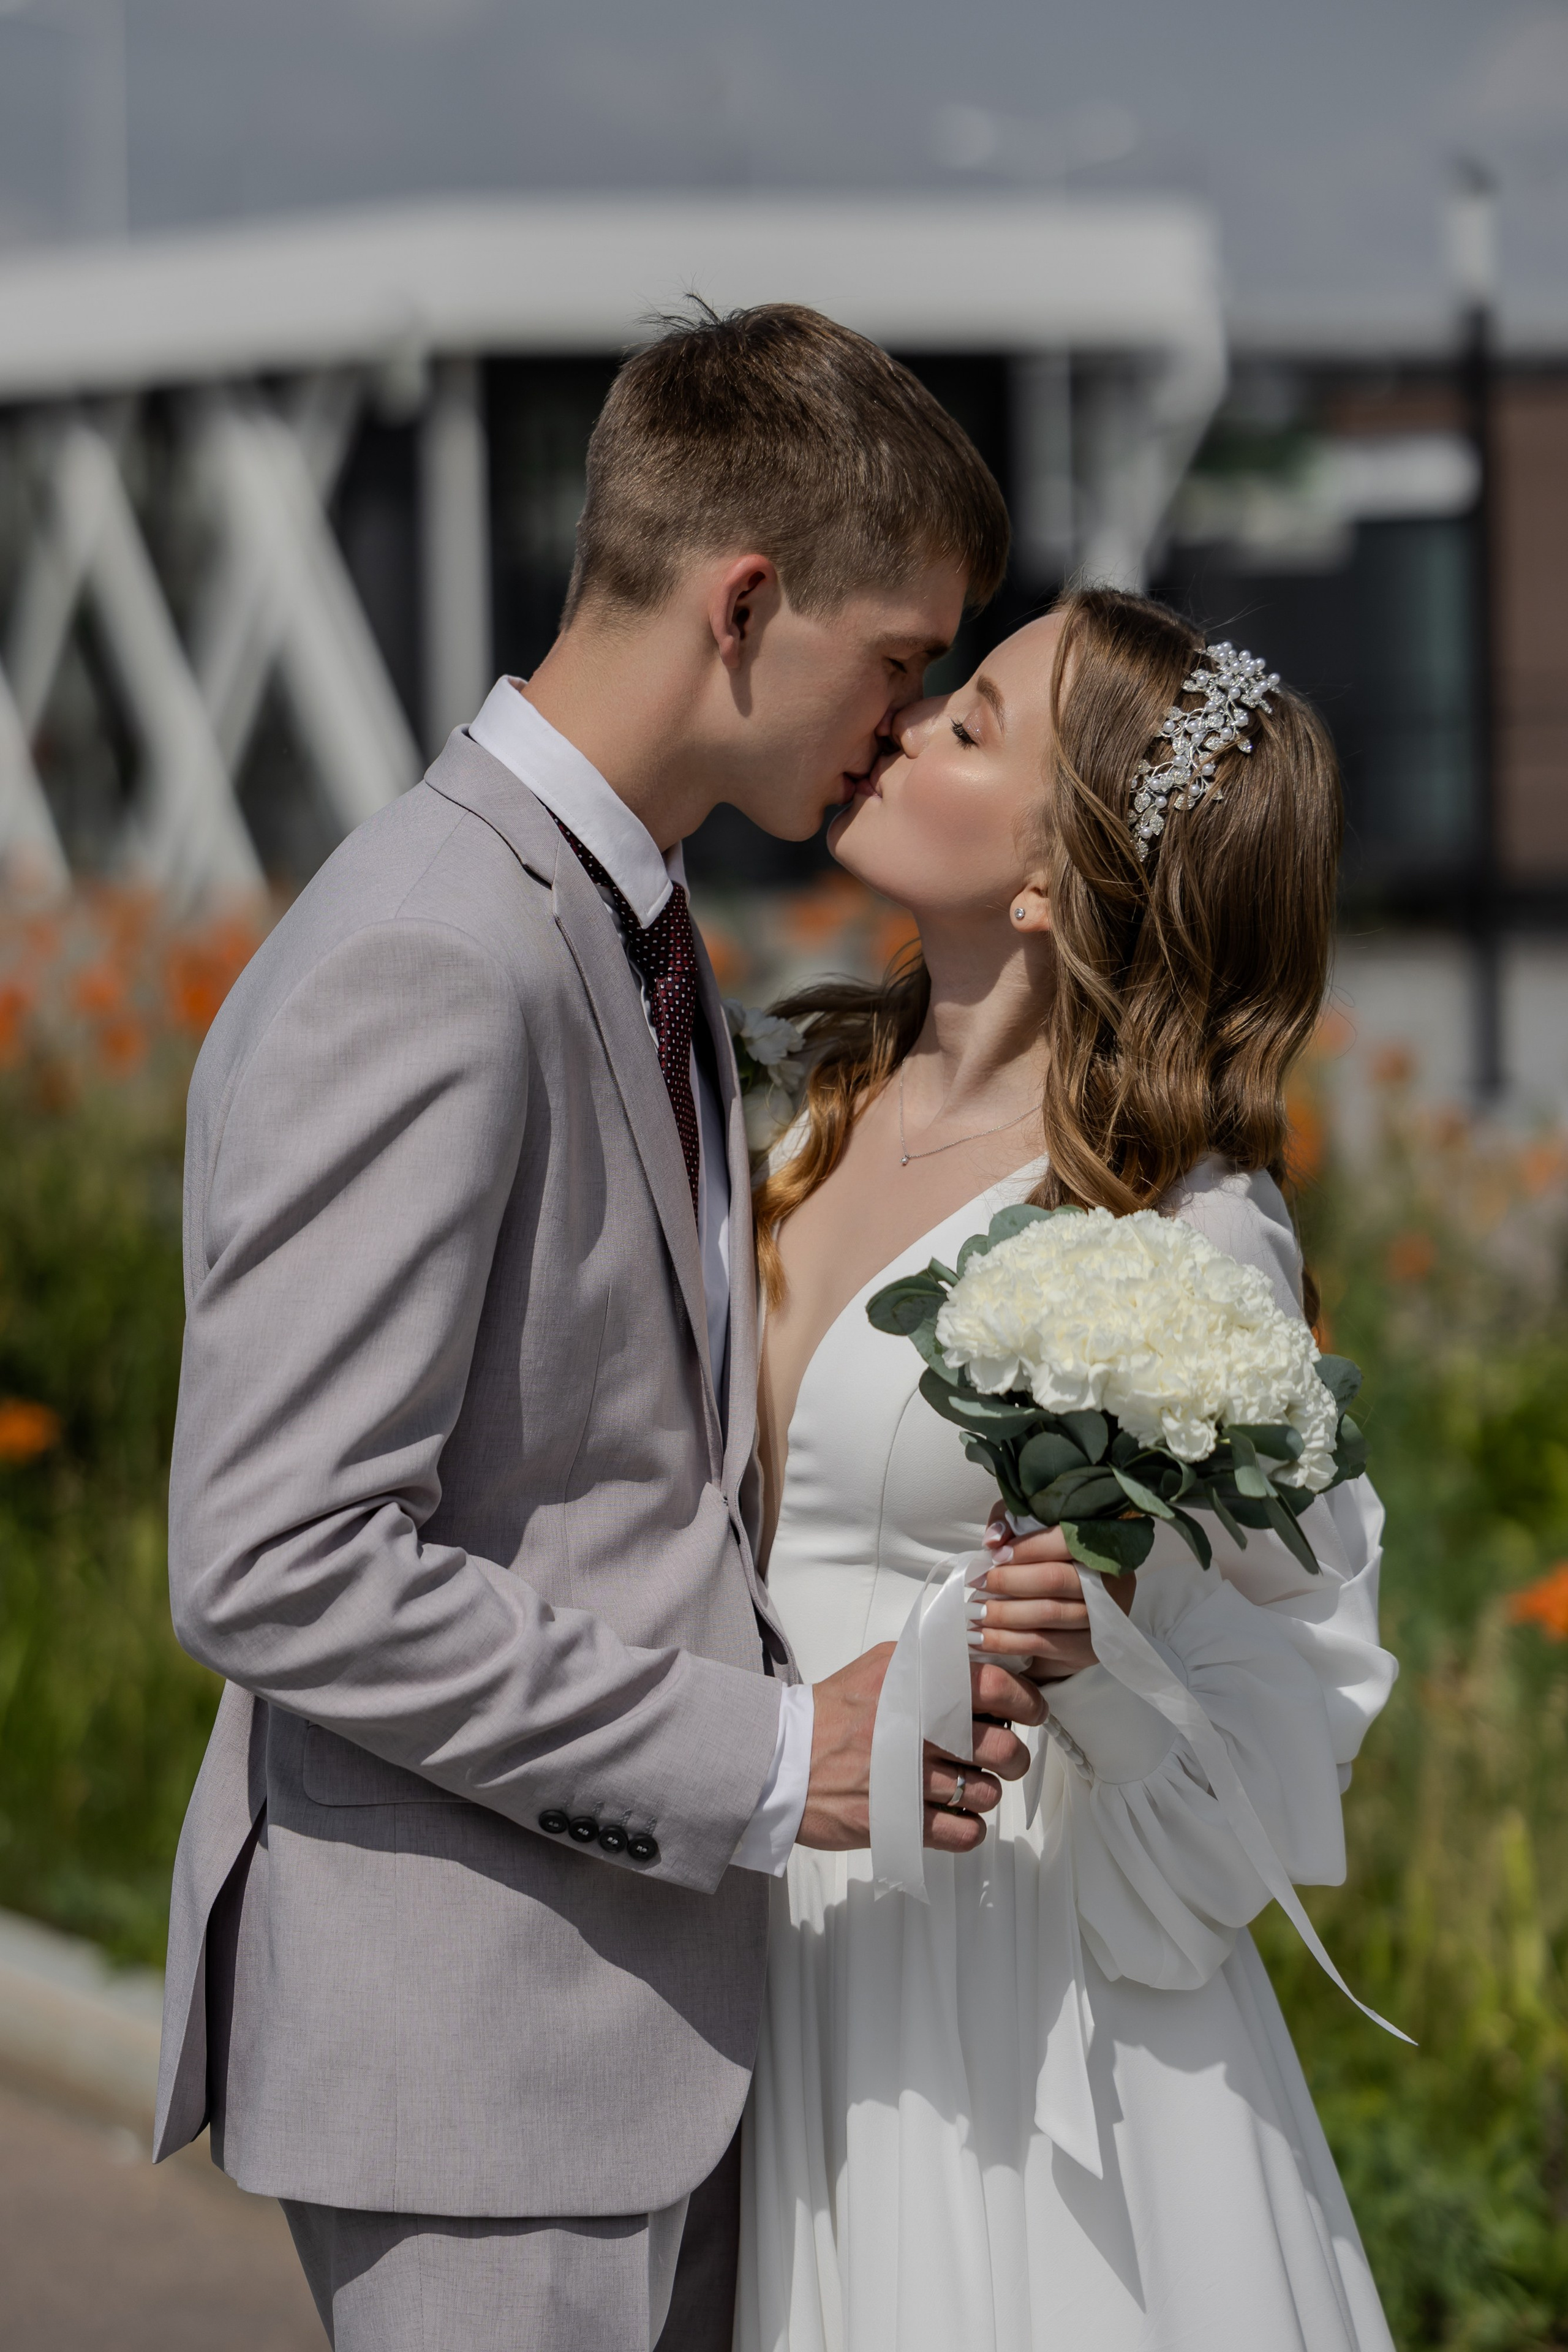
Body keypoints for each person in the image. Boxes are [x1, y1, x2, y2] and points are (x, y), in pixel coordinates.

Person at [150, 303, 1046, 2352]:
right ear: (746, 605)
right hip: (480, 2056)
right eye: (896, 659)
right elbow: (275, 1559)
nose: (904, 726)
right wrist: (770, 1758)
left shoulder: (620, 914)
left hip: (635, 2028)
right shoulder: (431, 951)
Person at [737, 588, 1400, 2351]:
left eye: (968, 723)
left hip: (994, 1972)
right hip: (767, 1895)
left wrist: (1090, 1653)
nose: (903, 722)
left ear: (1052, 875)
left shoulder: (1175, 1226)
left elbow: (1289, 1686)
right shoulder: (806, 1112)